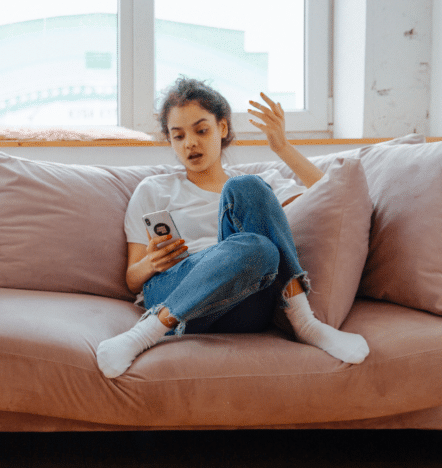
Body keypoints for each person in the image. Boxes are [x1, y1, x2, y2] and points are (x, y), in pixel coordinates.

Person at [96, 77, 369, 379]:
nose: (190, 143)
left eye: (201, 130)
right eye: (178, 136)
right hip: (176, 288)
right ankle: (146, 332)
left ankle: (304, 322)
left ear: (222, 128)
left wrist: (282, 146)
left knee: (257, 231)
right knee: (258, 244)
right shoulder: (154, 189)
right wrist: (151, 262)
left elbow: (333, 194)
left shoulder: (254, 187)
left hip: (244, 300)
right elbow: (133, 280)